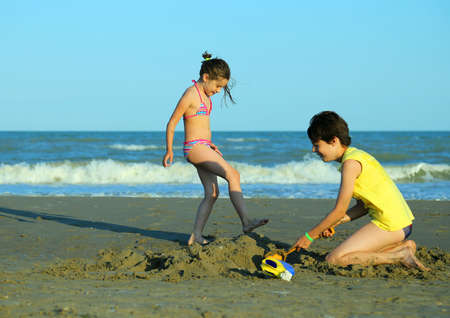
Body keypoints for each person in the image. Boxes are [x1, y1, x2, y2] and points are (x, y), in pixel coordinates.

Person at [291, 111, 429, 271]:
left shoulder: (350, 164)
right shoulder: (357, 155)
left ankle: (399, 256)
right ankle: (403, 247)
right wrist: (336, 222)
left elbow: (339, 210)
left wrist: (309, 236)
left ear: (333, 141)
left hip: (391, 224)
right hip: (403, 224)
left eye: (317, 144)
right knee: (355, 253)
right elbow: (363, 206)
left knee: (335, 259)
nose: (314, 150)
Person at [163, 51, 268, 246]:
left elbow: (199, 126)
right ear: (206, 78)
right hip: (194, 148)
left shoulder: (206, 98)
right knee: (233, 175)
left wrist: (209, 145)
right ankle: (246, 222)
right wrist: (169, 150)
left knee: (212, 194)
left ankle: (196, 235)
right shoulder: (190, 94)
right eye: (218, 85)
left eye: (223, 87)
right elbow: (172, 123)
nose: (219, 90)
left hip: (203, 147)